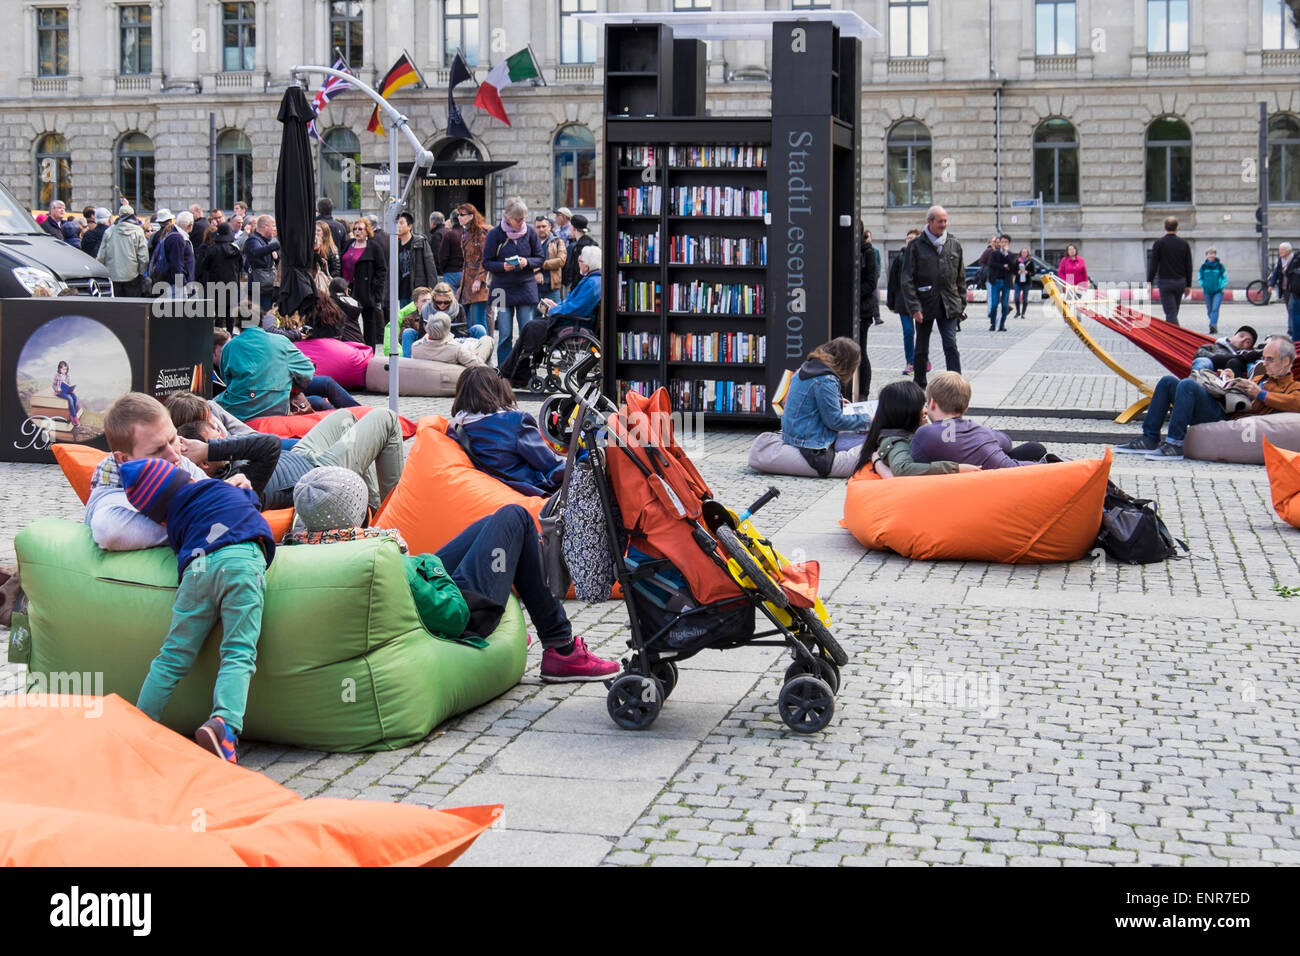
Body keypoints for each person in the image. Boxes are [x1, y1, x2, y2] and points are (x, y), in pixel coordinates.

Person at [286, 468, 619, 682]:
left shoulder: (295, 551)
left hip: (417, 588)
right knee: (515, 517)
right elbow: (448, 612)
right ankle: (561, 646)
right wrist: (431, 568)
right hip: (452, 611)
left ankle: (555, 641)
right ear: (360, 513)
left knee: (494, 524)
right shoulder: (379, 554)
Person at [118, 451, 273, 763]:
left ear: (158, 517)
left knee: (172, 655)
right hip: (242, 561)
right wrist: (244, 490)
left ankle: (137, 728)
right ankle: (224, 726)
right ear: (188, 477)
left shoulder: (173, 521)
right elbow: (252, 504)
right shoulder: (223, 488)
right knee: (237, 651)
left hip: (197, 571)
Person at [84, 392, 253, 553]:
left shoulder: (182, 462)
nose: (173, 455)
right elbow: (109, 531)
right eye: (157, 450)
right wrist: (203, 520)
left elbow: (211, 500)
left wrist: (230, 491)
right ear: (124, 459)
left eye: (173, 439)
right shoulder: (111, 488)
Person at [178, 406, 405, 513]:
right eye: (216, 440)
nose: (223, 438)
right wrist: (209, 449)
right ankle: (394, 512)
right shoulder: (239, 484)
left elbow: (253, 437)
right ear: (205, 462)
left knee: (344, 417)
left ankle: (373, 508)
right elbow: (269, 444)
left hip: (299, 455)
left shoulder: (226, 463)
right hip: (319, 472)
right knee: (386, 418)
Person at [1115, 335, 1300, 460]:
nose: (1264, 363)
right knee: (1167, 382)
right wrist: (1229, 379)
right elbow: (1242, 390)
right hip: (1223, 402)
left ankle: (1175, 444)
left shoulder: (1293, 386)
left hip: (1228, 417)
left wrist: (1259, 393)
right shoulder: (1261, 374)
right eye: (1264, 358)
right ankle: (1149, 438)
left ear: (1285, 362)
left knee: (1187, 385)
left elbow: (1295, 403)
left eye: (1270, 359)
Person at [446, 367, 565, 497]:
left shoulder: (457, 427)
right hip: (527, 492)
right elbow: (551, 465)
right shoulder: (515, 422)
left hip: (488, 494)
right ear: (498, 389)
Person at [501, 244, 601, 386]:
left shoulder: (592, 282)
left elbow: (574, 308)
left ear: (587, 265)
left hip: (570, 323)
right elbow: (573, 305)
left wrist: (551, 310)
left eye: (581, 261)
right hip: (570, 319)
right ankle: (515, 372)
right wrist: (556, 306)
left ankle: (510, 372)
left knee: (531, 327)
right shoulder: (594, 280)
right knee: (532, 327)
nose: (579, 263)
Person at [911, 372, 1048, 468]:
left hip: (965, 487)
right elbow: (1006, 442)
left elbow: (915, 460)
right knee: (1035, 449)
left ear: (932, 403)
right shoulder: (980, 431)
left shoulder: (925, 433)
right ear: (966, 408)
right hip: (1008, 477)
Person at [779, 337, 872, 478]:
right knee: (873, 436)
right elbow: (835, 422)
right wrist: (869, 419)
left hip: (793, 434)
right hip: (810, 442)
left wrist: (837, 400)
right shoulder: (825, 380)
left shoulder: (808, 367)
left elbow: (810, 400)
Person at [855, 380, 979, 478]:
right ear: (906, 412)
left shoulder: (907, 433)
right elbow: (902, 468)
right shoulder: (896, 441)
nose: (925, 410)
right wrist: (954, 468)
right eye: (921, 406)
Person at [901, 205, 966, 389]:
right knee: (921, 347)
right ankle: (919, 383)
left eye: (945, 221)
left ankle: (956, 383)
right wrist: (914, 307)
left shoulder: (954, 244)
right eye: (940, 221)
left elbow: (961, 278)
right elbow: (907, 280)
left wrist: (961, 305)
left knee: (951, 345)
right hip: (924, 304)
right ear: (929, 222)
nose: (943, 225)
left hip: (949, 304)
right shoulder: (915, 246)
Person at [483, 197, 545, 369]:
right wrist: (503, 266)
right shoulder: (495, 234)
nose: (521, 222)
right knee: (504, 334)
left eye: (524, 218)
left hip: (526, 288)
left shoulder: (531, 233)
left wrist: (527, 262)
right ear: (508, 218)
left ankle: (525, 370)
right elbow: (486, 263)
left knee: (527, 332)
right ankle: (504, 371)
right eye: (518, 219)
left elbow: (540, 258)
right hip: (501, 290)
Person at [214, 323, 316, 421]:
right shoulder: (280, 341)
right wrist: (292, 389)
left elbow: (227, 381)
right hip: (276, 408)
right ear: (261, 322)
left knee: (210, 406)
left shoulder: (230, 347)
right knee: (322, 390)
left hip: (240, 411)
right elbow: (308, 371)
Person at [342, 217, 387, 349]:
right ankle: (351, 348)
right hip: (347, 288)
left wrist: (374, 289)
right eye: (355, 229)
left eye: (360, 229)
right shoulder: (348, 244)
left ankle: (369, 350)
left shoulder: (373, 247)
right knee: (348, 322)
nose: (357, 232)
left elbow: (382, 270)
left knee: (369, 322)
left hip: (366, 290)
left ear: (367, 231)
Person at [887, 228, 925, 376]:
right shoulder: (900, 258)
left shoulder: (924, 258)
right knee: (909, 332)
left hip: (921, 302)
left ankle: (922, 359)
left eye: (912, 238)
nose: (909, 241)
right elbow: (893, 281)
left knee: (922, 334)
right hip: (903, 302)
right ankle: (910, 362)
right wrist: (891, 302)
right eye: (908, 238)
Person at [454, 203, 490, 352]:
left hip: (477, 285)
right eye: (458, 215)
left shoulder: (482, 232)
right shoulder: (464, 234)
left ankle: (484, 351)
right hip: (466, 283)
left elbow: (485, 258)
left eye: (462, 215)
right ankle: (471, 352)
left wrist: (479, 279)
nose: (459, 217)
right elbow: (466, 263)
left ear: (471, 216)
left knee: (478, 322)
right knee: (467, 323)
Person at [197, 222, 244, 331]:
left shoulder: (212, 249)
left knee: (218, 312)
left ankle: (219, 337)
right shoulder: (235, 249)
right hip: (232, 284)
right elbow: (241, 266)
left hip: (216, 285)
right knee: (230, 313)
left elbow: (205, 266)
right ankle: (230, 334)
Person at [96, 203, 150, 297]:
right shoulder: (138, 231)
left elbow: (101, 256)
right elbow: (144, 257)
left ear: (119, 215)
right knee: (132, 306)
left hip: (113, 275)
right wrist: (140, 272)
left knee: (116, 307)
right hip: (132, 275)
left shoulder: (109, 231)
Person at [1147, 217, 1193, 326]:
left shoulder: (1159, 243)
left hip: (1165, 282)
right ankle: (1171, 338)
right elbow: (1189, 266)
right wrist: (1188, 285)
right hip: (1180, 282)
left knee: (1170, 313)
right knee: (1173, 312)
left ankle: (1178, 338)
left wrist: (1149, 282)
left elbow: (1153, 265)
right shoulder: (1184, 244)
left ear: (1164, 227)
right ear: (1177, 228)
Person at [412, 309, 493, 368]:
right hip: (455, 378)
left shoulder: (416, 347)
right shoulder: (456, 349)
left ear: (428, 327)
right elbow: (479, 365)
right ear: (447, 330)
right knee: (487, 340)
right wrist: (469, 354)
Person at [857, 223, 881, 400]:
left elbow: (871, 282)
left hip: (863, 309)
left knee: (861, 351)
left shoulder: (868, 252)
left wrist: (853, 296)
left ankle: (863, 392)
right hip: (853, 307)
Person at [395, 211, 438, 308]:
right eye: (396, 223)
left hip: (418, 288)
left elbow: (430, 266)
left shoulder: (420, 242)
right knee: (405, 318)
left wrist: (432, 289)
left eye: (401, 223)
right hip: (403, 290)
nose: (398, 226)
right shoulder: (395, 245)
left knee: (419, 318)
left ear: (410, 226)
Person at [242, 215, 280, 315]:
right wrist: (275, 245)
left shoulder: (264, 241)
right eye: (273, 226)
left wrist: (275, 258)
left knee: (266, 313)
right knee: (260, 315)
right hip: (257, 287)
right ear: (265, 226)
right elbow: (256, 252)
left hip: (265, 287)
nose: (274, 229)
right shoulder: (253, 240)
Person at [1191, 325, 1260, 375]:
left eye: (1247, 342)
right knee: (1203, 360)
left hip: (1229, 380)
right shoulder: (1214, 347)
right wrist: (1221, 359)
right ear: (1232, 337)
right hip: (1209, 374)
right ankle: (1195, 379)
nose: (1242, 340)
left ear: (1248, 347)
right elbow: (1199, 354)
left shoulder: (1246, 356)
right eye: (1241, 336)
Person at [1268, 241, 1300, 342]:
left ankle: (1291, 331)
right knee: (1290, 309)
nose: (1280, 251)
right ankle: (1292, 331)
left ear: (1288, 250)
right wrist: (1271, 285)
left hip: (1294, 290)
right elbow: (1276, 273)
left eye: (1282, 250)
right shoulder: (1282, 260)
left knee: (1292, 309)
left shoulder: (1295, 258)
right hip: (1287, 288)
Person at [534, 215, 567, 300]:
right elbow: (525, 261)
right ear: (534, 228)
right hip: (534, 288)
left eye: (544, 226)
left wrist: (541, 264)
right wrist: (536, 272)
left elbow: (561, 261)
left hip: (552, 289)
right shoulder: (530, 243)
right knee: (534, 314)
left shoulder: (558, 242)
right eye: (538, 227)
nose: (541, 229)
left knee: (556, 313)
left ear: (549, 227)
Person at [561, 214, 595, 294]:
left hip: (580, 289)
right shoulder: (592, 243)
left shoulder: (579, 247)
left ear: (573, 228)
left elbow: (577, 271)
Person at [1196, 247, 1228, 335]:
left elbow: (1225, 278)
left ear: (1215, 255)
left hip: (1218, 291)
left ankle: (1213, 325)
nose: (1211, 255)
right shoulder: (1203, 267)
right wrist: (1204, 285)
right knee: (1209, 310)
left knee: (1215, 309)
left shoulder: (1220, 266)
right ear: (1206, 255)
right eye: (1209, 253)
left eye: (1213, 253)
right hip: (1207, 291)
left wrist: (1221, 286)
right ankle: (1213, 324)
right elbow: (1200, 278)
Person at [986, 234, 1014, 331]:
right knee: (994, 304)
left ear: (1009, 243)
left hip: (1006, 282)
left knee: (1005, 305)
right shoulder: (994, 253)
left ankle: (1002, 324)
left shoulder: (1010, 255)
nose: (1003, 244)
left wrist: (1006, 255)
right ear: (999, 243)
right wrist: (1003, 266)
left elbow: (1012, 268)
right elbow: (991, 264)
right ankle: (993, 323)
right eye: (1002, 242)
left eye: (1006, 242)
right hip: (996, 281)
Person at [438, 210, 465, 294]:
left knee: (451, 301)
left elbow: (443, 256)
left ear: (451, 220)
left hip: (451, 272)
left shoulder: (449, 235)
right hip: (466, 272)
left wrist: (442, 269)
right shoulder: (467, 234)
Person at [52, 360, 81, 426]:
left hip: (67, 391)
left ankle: (72, 414)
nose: (64, 371)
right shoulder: (57, 376)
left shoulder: (67, 376)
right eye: (63, 369)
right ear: (59, 369)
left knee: (74, 397)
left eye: (66, 369)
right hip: (60, 392)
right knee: (69, 398)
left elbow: (69, 384)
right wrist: (57, 389)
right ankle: (74, 417)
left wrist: (72, 389)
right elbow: (53, 385)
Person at [1012, 247, 1037, 318]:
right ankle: (1018, 312)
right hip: (1018, 282)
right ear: (1020, 253)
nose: (1024, 254)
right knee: (1016, 298)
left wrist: (1027, 272)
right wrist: (1017, 272)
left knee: (1025, 299)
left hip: (1027, 282)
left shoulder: (1030, 261)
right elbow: (1013, 271)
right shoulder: (1017, 261)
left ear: (1027, 253)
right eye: (1023, 252)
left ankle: (1023, 313)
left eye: (1025, 252)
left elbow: (1033, 272)